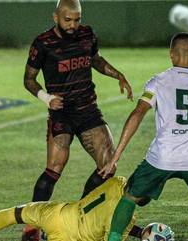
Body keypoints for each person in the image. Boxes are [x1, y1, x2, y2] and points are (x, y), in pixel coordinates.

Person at [99, 32, 188, 241]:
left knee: (130, 196)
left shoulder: (157, 82)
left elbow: (137, 114)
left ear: (171, 55)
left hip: (162, 158)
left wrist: (115, 158)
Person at [22, 0, 132, 239]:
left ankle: (80, 214)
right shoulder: (43, 43)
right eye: (67, 20)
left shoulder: (87, 35)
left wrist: (118, 75)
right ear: (56, 17)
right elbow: (29, 79)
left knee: (108, 165)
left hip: (88, 110)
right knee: (54, 168)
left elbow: (96, 59)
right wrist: (46, 97)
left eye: (77, 19)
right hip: (61, 113)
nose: (73, 25)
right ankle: (31, 229)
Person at [0, 177, 156, 241]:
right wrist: (144, 234)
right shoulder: (124, 220)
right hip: (68, 237)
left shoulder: (117, 182)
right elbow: (117, 228)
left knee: (13, 214)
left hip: (57, 214)